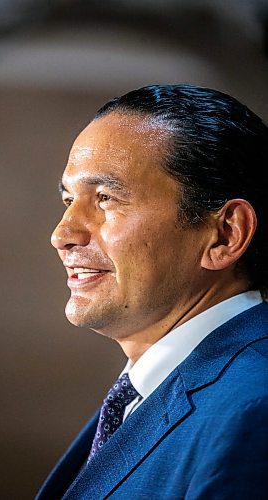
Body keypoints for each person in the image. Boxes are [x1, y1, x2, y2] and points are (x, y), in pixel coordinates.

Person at [36, 84, 268, 499]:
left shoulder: (253, 410)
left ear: (225, 235)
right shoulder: (153, 391)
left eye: (105, 198)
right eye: (69, 200)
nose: (62, 234)